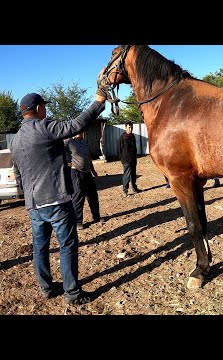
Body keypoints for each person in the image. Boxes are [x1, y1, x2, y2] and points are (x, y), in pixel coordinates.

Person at [10, 91, 106, 305]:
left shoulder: (15, 141)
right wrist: (98, 102)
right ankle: (72, 293)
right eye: (44, 106)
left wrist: (29, 196)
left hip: (33, 205)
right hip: (56, 201)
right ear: (37, 109)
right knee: (67, 245)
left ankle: (46, 288)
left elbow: (18, 174)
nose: (46, 110)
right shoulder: (44, 127)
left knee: (40, 247)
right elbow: (76, 124)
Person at [64, 132, 104, 230]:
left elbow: (88, 156)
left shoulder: (84, 142)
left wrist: (93, 169)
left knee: (93, 195)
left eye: (81, 130)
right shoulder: (68, 142)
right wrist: (69, 165)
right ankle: (78, 222)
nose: (79, 132)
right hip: (76, 172)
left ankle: (96, 217)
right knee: (78, 197)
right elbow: (63, 157)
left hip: (87, 172)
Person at [118, 121, 141, 197]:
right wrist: (122, 159)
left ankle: (135, 188)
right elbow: (119, 149)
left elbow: (134, 148)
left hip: (133, 159)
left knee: (133, 175)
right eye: (129, 127)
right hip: (126, 160)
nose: (130, 129)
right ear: (125, 128)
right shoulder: (122, 137)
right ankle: (125, 191)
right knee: (126, 175)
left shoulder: (133, 136)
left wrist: (135, 157)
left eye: (131, 127)